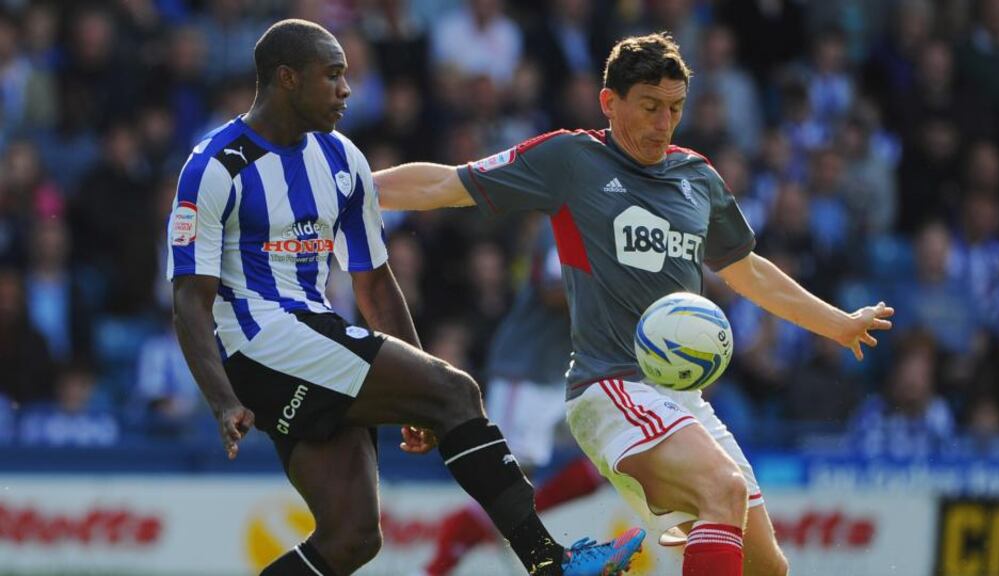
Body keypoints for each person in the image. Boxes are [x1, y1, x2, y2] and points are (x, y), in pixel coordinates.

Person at [375, 32, 895, 576]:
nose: (662, 123)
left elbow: (747, 270)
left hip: (683, 399)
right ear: (609, 102)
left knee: (768, 567)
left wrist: (836, 324)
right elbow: (447, 184)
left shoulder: (698, 178)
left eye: (674, 108)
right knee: (722, 489)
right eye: (649, 107)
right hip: (610, 386)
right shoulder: (572, 159)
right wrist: (353, 186)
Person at [167, 19, 644, 576]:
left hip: (310, 344)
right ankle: (551, 562)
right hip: (262, 344)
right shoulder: (214, 167)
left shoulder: (343, 159)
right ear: (287, 79)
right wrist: (223, 400)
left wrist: (416, 381)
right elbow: (189, 299)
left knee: (351, 539)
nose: (347, 88)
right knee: (458, 392)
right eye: (333, 75)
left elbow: (374, 281)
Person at [422, 220, 607, 576]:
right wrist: (616, 292)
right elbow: (553, 293)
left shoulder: (607, 225)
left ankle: (483, 528)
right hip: (524, 371)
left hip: (562, 372)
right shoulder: (562, 223)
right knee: (509, 484)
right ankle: (441, 559)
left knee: (606, 460)